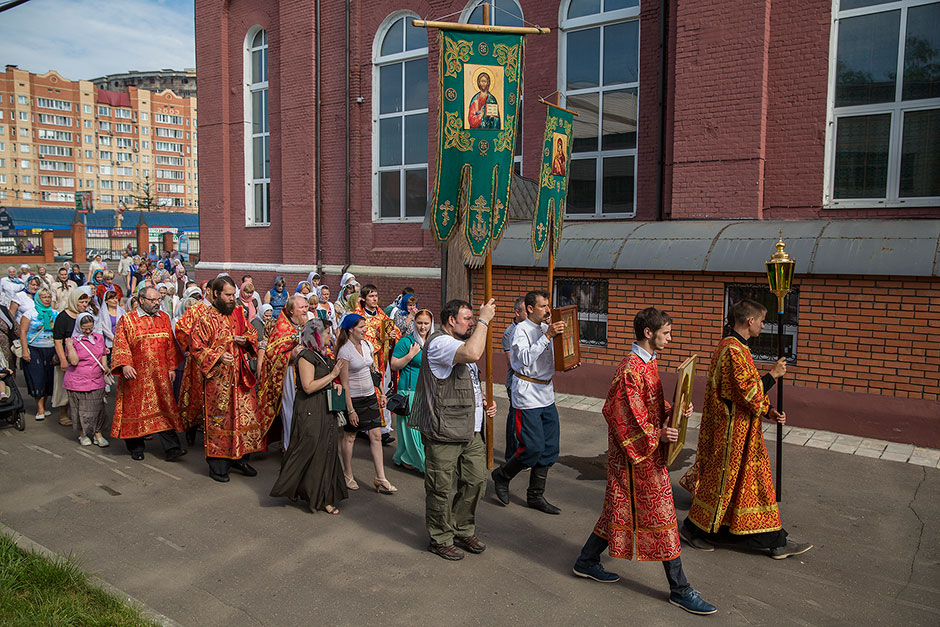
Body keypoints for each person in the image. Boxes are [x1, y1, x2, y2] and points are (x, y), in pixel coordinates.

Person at [572, 307, 716, 616]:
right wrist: (658, 434)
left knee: (617, 509)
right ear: (648, 333)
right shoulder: (630, 369)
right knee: (664, 518)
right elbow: (621, 415)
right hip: (636, 459)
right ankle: (680, 589)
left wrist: (673, 410)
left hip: (645, 455)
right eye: (666, 333)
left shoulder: (647, 362)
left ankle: (586, 560)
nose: (670, 338)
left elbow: (649, 404)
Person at [679, 299, 813, 560]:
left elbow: (745, 389)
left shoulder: (736, 347)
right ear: (750, 321)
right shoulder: (732, 350)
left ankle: (698, 529)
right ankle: (775, 541)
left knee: (730, 485)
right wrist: (773, 375)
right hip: (733, 434)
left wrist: (768, 409)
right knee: (745, 484)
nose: (763, 326)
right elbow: (746, 391)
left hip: (740, 431)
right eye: (761, 321)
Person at [411, 299, 498, 560]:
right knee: (440, 487)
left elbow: (466, 383)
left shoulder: (459, 344)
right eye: (467, 318)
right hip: (444, 430)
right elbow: (472, 354)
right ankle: (440, 538)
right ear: (451, 320)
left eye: (473, 319)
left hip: (471, 429)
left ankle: (462, 528)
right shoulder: (440, 343)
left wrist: (483, 401)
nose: (471, 323)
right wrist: (484, 319)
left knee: (476, 480)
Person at [491, 290, 566, 514]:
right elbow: (523, 360)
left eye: (548, 305)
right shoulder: (521, 330)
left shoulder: (545, 328)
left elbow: (551, 358)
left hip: (546, 392)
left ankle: (535, 495)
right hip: (527, 393)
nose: (548, 310)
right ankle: (503, 475)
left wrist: (568, 359)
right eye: (543, 306)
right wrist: (547, 336)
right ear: (530, 308)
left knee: (550, 447)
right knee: (532, 447)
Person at [189, 276, 264, 482]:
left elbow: (252, 334)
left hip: (240, 378)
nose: (232, 299)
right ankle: (218, 466)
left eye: (233, 295)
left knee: (244, 417)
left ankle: (241, 459)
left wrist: (245, 340)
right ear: (216, 294)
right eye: (228, 295)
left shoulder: (238, 313)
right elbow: (196, 348)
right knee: (220, 421)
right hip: (218, 380)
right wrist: (218, 356)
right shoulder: (205, 318)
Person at [270, 319, 347, 515]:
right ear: (316, 335)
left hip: (325, 407)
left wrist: (335, 385)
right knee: (310, 448)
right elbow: (308, 386)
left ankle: (322, 494)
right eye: (327, 332)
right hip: (310, 408)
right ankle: (314, 496)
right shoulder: (305, 356)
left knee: (327, 449)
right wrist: (333, 376)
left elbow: (324, 379)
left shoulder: (322, 354)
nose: (330, 336)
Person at [110, 286, 186, 461]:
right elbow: (121, 343)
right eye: (152, 300)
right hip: (136, 375)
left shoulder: (164, 318)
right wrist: (125, 365)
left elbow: (170, 344)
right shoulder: (127, 319)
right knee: (134, 410)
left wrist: (171, 367)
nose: (157, 303)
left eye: (158, 299)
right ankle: (136, 448)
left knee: (165, 408)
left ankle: (172, 448)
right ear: (141, 300)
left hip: (160, 375)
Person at [336, 313, 396, 494]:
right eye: (361, 327)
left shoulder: (367, 345)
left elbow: (374, 371)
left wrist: (382, 392)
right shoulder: (344, 351)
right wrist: (350, 410)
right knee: (350, 436)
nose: (365, 330)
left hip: (370, 396)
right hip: (353, 399)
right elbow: (344, 384)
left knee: (376, 436)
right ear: (351, 329)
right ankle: (348, 473)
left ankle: (381, 477)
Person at [257, 295, 307, 451]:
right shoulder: (281, 329)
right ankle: (289, 447)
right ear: (291, 310)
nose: (305, 310)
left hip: (307, 373)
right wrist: (290, 355)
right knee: (290, 410)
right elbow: (271, 355)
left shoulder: (308, 325)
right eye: (302, 307)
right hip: (289, 374)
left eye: (306, 307)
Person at [355, 284, 401, 446]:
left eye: (376, 296)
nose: (375, 299)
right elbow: (357, 337)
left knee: (383, 392)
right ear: (363, 299)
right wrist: (379, 339)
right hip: (366, 361)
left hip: (383, 360)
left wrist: (393, 336)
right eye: (371, 296)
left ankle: (383, 428)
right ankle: (367, 428)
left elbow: (394, 332)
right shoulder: (358, 316)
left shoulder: (382, 315)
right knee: (369, 393)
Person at [390, 308, 432, 472]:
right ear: (414, 323)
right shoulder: (406, 342)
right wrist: (410, 355)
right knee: (411, 429)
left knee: (418, 429)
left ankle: (403, 457)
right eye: (419, 323)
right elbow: (394, 365)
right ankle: (421, 463)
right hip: (408, 391)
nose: (423, 327)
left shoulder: (432, 341)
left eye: (426, 323)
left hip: (426, 390)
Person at [64, 312, 109, 448]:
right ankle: (82, 434)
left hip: (96, 379)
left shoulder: (99, 338)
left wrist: (105, 366)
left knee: (98, 408)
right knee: (80, 410)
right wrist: (70, 346)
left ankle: (98, 434)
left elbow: (103, 353)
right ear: (79, 327)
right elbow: (74, 361)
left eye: (90, 328)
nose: (88, 331)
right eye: (84, 329)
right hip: (77, 381)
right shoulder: (73, 341)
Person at [51, 289, 91, 427]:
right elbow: (57, 341)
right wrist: (63, 360)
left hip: (83, 358)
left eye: (86, 302)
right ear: (74, 301)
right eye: (81, 302)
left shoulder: (85, 316)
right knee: (64, 388)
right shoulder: (63, 317)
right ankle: (63, 414)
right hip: (67, 357)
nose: (84, 304)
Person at [20, 288, 57, 421]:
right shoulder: (30, 313)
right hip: (34, 349)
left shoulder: (55, 313)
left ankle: (44, 406)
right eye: (44, 297)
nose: (47, 300)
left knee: (48, 378)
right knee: (37, 377)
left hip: (51, 349)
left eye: (49, 297)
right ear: (38, 299)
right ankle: (40, 408)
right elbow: (23, 332)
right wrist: (25, 350)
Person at [501, 297, 526, 462]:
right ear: (517, 312)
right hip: (515, 381)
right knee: (514, 418)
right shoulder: (510, 332)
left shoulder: (531, 328)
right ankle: (511, 455)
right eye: (526, 310)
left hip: (529, 382)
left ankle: (523, 451)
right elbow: (513, 363)